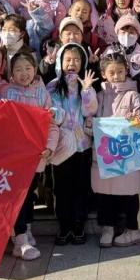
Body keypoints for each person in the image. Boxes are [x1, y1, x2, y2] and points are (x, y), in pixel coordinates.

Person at [0, 49, 59, 261]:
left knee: (29, 194)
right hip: (13, 156)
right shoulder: (5, 92)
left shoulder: (42, 93)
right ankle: (21, 239)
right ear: (11, 73)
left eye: (27, 68)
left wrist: (49, 147)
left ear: (35, 69)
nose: (23, 73)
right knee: (19, 196)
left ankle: (25, 229)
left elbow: (51, 124)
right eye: (18, 69)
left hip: (35, 156)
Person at [92, 52, 140, 248]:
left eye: (120, 72)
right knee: (105, 193)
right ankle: (108, 227)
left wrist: (135, 121)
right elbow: (89, 116)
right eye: (112, 72)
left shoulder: (133, 95)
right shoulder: (99, 96)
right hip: (105, 153)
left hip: (127, 152)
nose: (116, 76)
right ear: (103, 74)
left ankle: (134, 229)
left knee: (131, 192)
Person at [47, 44, 98, 245]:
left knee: (81, 186)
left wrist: (86, 91)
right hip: (62, 145)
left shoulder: (85, 83)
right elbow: (54, 112)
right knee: (62, 187)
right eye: (68, 59)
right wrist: (55, 114)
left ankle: (78, 224)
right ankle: (64, 224)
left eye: (76, 60)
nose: (72, 63)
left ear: (83, 63)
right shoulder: (53, 86)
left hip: (82, 144)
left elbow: (89, 111)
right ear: (60, 62)